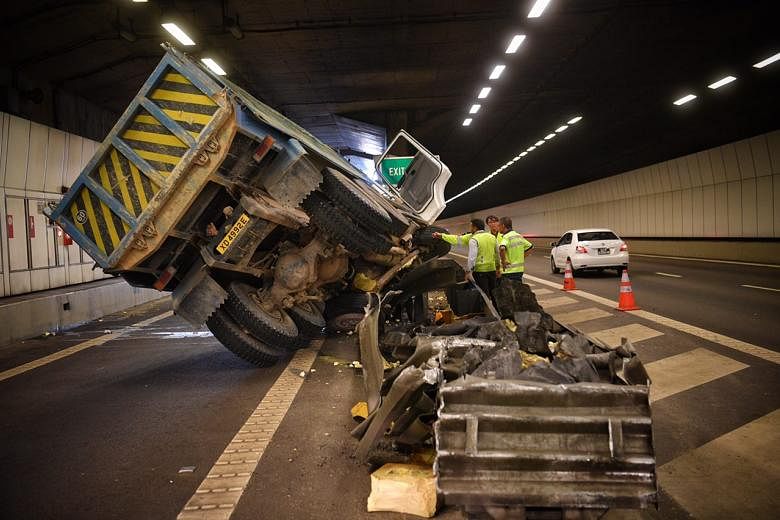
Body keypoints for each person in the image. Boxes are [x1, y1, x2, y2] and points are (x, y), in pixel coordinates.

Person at [462, 218, 499, 299]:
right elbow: (497, 254)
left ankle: (487, 309)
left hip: (480, 272)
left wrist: (468, 272)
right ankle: (497, 310)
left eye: (471, 226)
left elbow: (472, 258)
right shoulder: (492, 237)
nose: (470, 228)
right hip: (492, 270)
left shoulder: (474, 239)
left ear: (475, 228)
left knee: (484, 295)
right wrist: (498, 268)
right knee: (494, 293)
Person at [498, 216, 533, 283]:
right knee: (517, 290)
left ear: (503, 226)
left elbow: (502, 248)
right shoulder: (518, 235)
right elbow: (530, 247)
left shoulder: (506, 237)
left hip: (508, 271)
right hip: (519, 270)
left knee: (509, 291)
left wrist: (503, 261)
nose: (498, 228)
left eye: (499, 226)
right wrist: (522, 257)